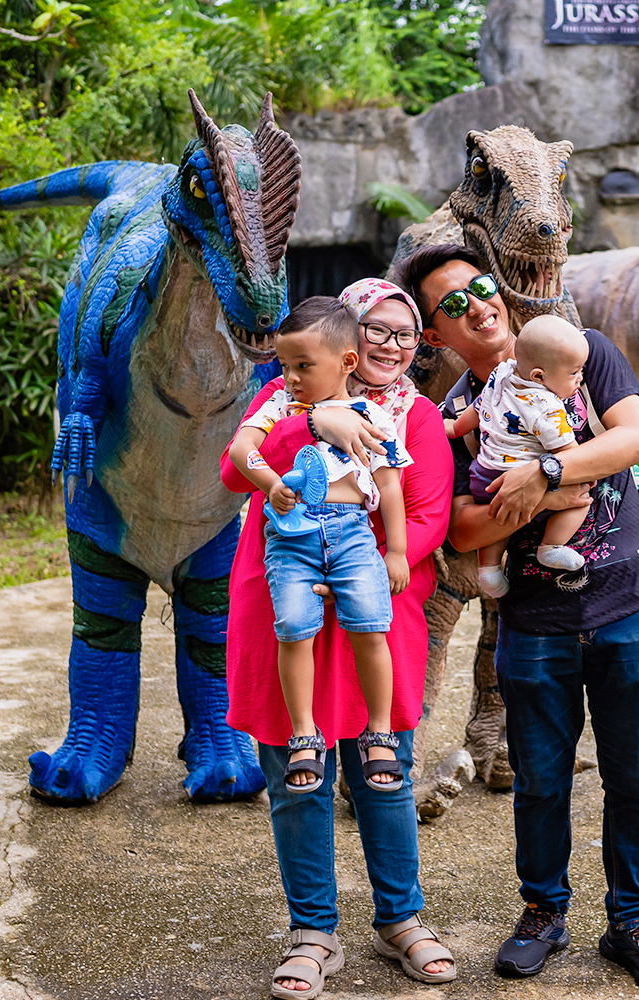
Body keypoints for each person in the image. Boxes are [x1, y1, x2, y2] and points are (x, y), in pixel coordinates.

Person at [398, 244, 639, 994]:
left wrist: (545, 473)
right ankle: (542, 913)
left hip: (628, 603)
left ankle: (633, 921)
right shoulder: (450, 415)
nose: (477, 306)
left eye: (480, 287)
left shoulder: (582, 351)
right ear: (435, 334)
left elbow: (637, 439)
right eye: (452, 304)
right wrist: (528, 496)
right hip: (531, 619)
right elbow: (457, 529)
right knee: (538, 781)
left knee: (635, 776)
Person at [221, 280, 457, 997]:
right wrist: (315, 421)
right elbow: (237, 469)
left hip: (371, 609)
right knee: (301, 781)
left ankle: (401, 918)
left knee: (383, 775)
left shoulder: (412, 418)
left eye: (402, 332)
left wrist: (362, 571)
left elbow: (426, 516)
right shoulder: (282, 402)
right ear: (345, 345)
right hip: (284, 607)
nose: (390, 345)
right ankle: (313, 930)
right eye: (375, 328)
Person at [228, 302, 411, 794]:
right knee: (292, 628)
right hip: (291, 535)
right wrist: (268, 482)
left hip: (352, 531)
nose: (290, 377)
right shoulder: (279, 407)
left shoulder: (372, 415)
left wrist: (396, 550)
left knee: (372, 624)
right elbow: (240, 450)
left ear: (347, 363)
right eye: (284, 366)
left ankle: (379, 731)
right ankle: (303, 732)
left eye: (302, 366)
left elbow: (390, 487)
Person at [447, 314, 592, 597]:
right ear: (538, 376)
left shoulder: (501, 374)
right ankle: (551, 546)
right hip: (518, 474)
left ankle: (488, 567)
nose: (580, 378)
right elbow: (568, 456)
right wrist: (590, 471)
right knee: (580, 496)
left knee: (495, 515)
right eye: (574, 373)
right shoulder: (545, 407)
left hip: (485, 473)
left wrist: (454, 427)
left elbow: (479, 407)